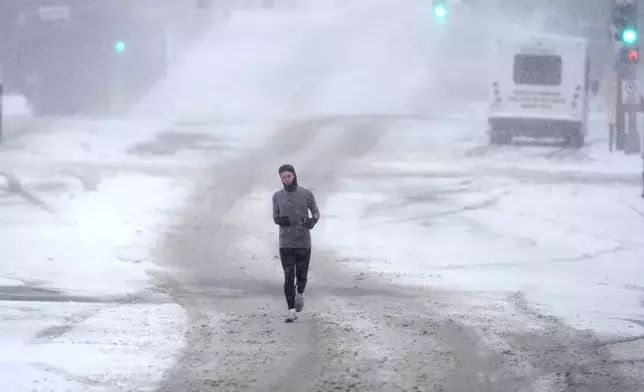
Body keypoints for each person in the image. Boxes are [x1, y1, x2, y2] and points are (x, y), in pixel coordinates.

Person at [272, 164, 320, 323]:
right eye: (283, 177)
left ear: (294, 175)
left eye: (289, 176)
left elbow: (316, 212)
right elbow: (275, 216)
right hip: (285, 242)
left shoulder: (306, 194)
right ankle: (291, 311)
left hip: (303, 242)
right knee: (288, 276)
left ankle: (300, 292)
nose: (286, 179)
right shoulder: (277, 196)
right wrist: (279, 220)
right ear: (280, 179)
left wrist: (312, 221)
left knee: (301, 276)